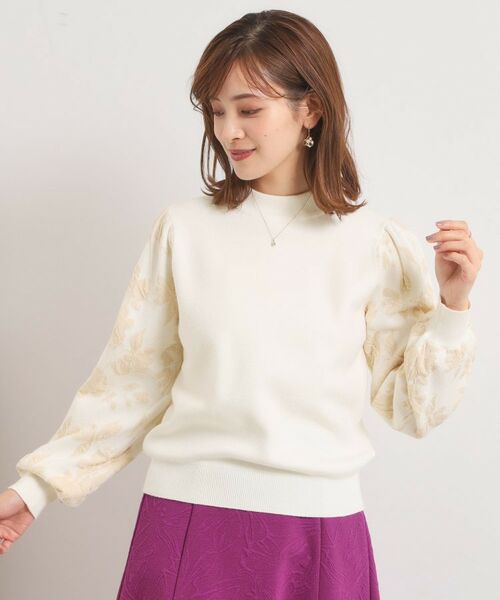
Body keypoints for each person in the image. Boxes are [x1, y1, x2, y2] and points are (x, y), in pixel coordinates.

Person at [0, 9, 482, 599]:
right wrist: (35, 489)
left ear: (311, 109)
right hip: (187, 522)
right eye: (216, 111)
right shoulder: (183, 231)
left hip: (319, 534)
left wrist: (452, 307)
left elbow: (414, 411)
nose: (229, 131)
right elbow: (130, 383)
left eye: (249, 109)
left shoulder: (375, 244)